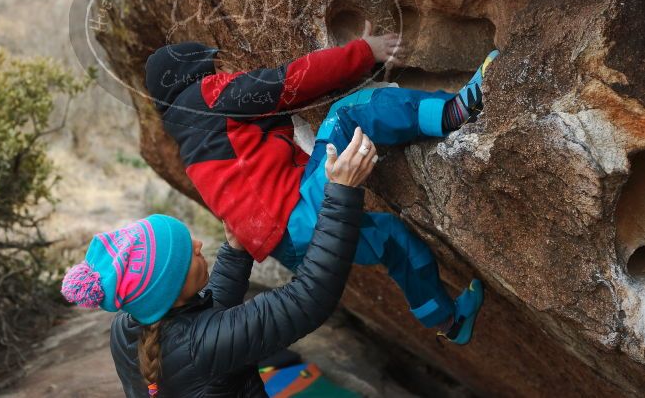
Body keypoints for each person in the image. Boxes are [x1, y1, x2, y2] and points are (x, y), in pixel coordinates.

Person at [144, 21, 497, 344]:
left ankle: (449, 321)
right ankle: (451, 112)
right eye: (217, 67)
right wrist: (362, 52)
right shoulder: (206, 95)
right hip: (299, 212)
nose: (227, 71)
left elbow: (272, 117)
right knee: (346, 114)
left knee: (393, 238)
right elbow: (287, 82)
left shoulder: (192, 140)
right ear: (196, 75)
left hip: (293, 248)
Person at [62, 129, 379, 397]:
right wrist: (341, 194)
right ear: (170, 288)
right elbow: (308, 299)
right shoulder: (201, 347)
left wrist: (235, 251)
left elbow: (206, 325)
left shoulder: (128, 328)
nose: (199, 245)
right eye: (188, 253)